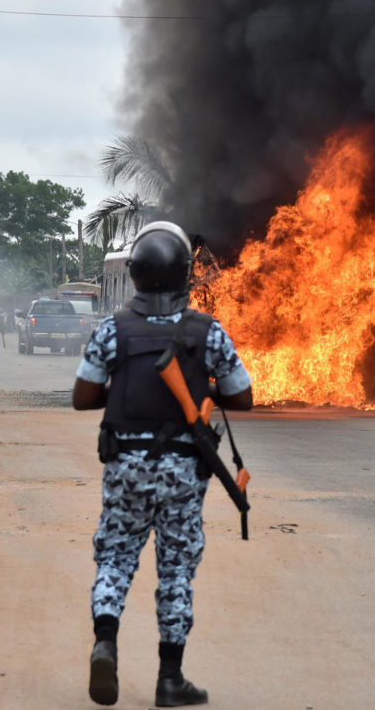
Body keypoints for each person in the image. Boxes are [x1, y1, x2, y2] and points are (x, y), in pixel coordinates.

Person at [72, 221, 253, 708]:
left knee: (114, 559)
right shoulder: (207, 332)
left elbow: (82, 397)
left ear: (132, 275)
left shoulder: (112, 329)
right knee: (175, 573)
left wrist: (128, 391)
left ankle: (105, 642)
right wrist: (203, 391)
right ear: (186, 277)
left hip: (126, 466)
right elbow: (244, 396)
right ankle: (170, 680)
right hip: (182, 473)